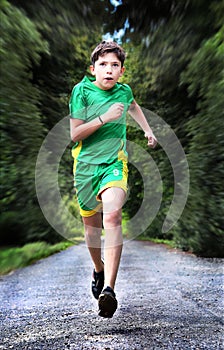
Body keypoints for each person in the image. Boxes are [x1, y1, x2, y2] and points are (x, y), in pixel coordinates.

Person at [69, 41, 157, 318]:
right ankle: (98, 269)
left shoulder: (124, 91)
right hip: (84, 167)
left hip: (114, 164)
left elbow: (134, 106)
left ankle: (109, 290)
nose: (109, 70)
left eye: (115, 65)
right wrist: (105, 118)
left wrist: (148, 130)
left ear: (121, 72)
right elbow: (75, 134)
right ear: (93, 68)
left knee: (113, 215)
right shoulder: (81, 92)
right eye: (104, 65)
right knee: (92, 231)